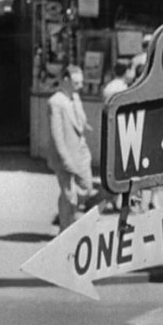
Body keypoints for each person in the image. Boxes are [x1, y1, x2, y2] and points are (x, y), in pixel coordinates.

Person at [46, 65, 95, 231]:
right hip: (64, 155)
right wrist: (65, 159)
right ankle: (65, 229)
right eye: (76, 83)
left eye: (81, 82)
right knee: (68, 194)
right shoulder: (55, 102)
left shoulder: (75, 97)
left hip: (80, 152)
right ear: (65, 80)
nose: (80, 86)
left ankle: (64, 214)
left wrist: (84, 124)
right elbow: (57, 136)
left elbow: (80, 120)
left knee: (86, 188)